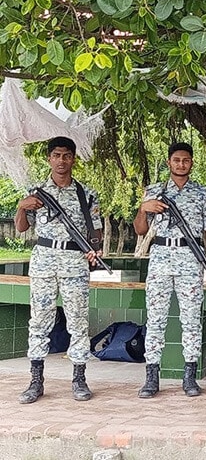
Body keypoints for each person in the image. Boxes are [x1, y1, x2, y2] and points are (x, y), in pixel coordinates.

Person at [15, 136, 103, 404]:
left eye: (66, 155)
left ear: (73, 159)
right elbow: (21, 227)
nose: (61, 160)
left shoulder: (86, 194)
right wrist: (22, 206)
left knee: (78, 320)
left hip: (74, 262)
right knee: (39, 320)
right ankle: (36, 381)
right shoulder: (36, 191)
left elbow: (95, 231)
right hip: (44, 261)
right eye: (56, 155)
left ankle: (79, 379)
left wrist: (95, 249)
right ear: (49, 158)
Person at [134, 142, 206, 398]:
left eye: (185, 160)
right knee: (156, 319)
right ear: (169, 162)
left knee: (191, 319)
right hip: (161, 258)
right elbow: (140, 229)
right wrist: (143, 208)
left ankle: (189, 376)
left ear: (191, 163)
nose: (181, 164)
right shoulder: (154, 192)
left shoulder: (203, 194)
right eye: (176, 160)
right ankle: (152, 377)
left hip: (191, 259)